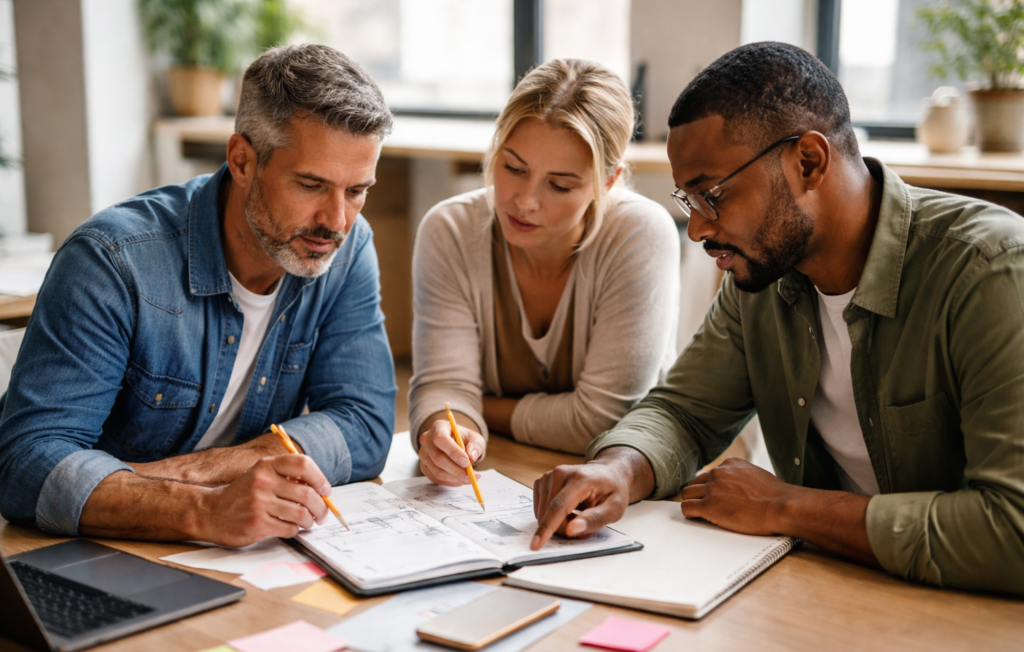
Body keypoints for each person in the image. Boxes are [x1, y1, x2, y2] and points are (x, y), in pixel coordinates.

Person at [531, 42, 1024, 596]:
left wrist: (786, 507)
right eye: (688, 200)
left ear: (808, 162)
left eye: (711, 195)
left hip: (963, 609)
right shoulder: (764, 279)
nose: (697, 229)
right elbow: (684, 412)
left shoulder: (990, 272)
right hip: (829, 584)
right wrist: (618, 469)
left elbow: (1013, 528)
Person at [0, 44, 397, 547]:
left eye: (357, 191)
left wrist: (199, 472)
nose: (336, 221)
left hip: (243, 552)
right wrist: (203, 508)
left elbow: (364, 423)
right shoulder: (112, 261)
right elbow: (25, 465)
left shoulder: (347, 249)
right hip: (92, 549)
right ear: (242, 160)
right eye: (311, 185)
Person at [411, 59, 680, 486]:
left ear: (608, 182)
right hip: (503, 466)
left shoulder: (640, 234)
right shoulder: (450, 231)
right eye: (513, 168)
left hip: (622, 477)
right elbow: (443, 388)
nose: (525, 201)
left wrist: (478, 406)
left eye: (560, 185)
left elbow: (602, 421)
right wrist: (449, 429)